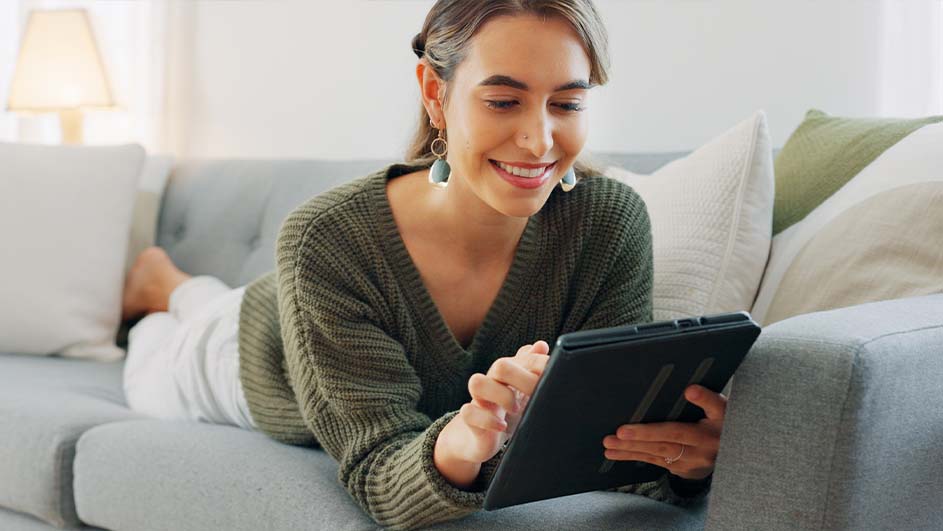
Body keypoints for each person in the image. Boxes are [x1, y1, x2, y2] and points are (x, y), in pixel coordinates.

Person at [121, 1, 726, 529]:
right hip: (241, 352)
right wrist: (464, 439)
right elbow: (378, 471)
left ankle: (174, 284)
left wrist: (687, 464)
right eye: (503, 100)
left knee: (202, 298)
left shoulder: (607, 224)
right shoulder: (325, 237)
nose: (540, 140)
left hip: (313, 308)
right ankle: (161, 290)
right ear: (436, 95)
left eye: (566, 103)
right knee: (152, 353)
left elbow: (608, 444)